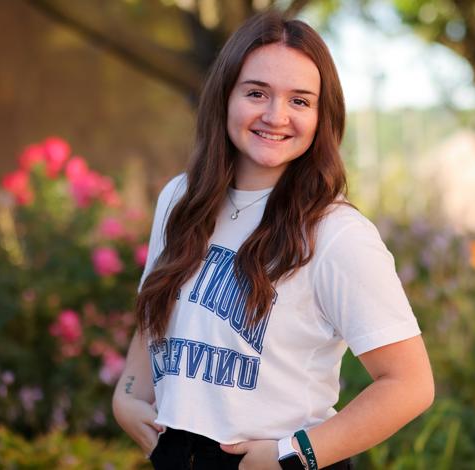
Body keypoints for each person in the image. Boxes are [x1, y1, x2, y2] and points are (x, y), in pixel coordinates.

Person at [111, 10, 434, 470]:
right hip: (177, 453)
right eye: (257, 92)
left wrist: (293, 454)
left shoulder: (335, 233)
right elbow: (157, 309)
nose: (275, 115)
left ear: (322, 116)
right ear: (225, 96)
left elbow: (409, 384)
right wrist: (128, 393)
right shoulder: (180, 199)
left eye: (300, 101)